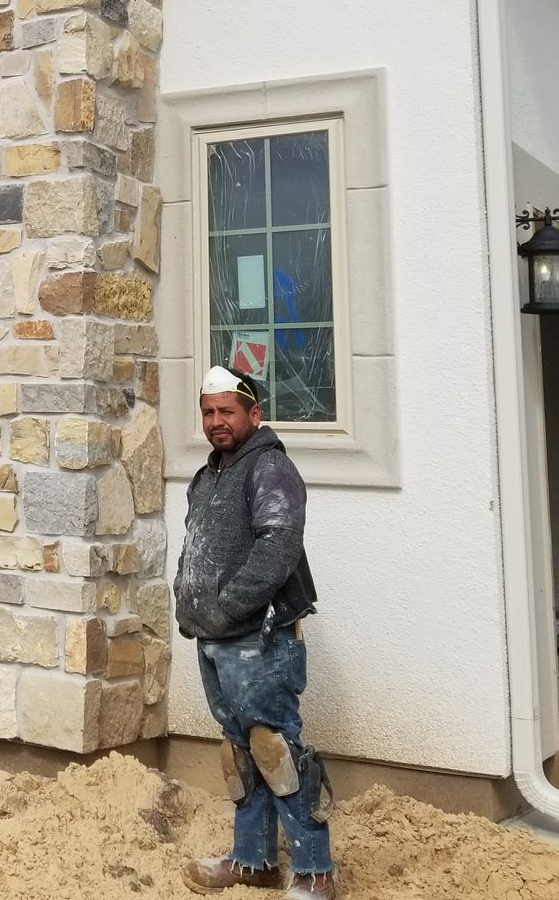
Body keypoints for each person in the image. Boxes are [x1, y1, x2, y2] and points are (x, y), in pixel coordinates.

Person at [177, 365, 337, 898]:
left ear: (254, 414)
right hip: (215, 638)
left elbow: (278, 548)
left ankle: (316, 873)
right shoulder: (209, 475)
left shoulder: (269, 468)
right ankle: (253, 863)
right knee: (239, 752)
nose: (216, 421)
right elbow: (198, 551)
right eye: (208, 412)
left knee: (276, 749)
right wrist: (191, 606)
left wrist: (225, 607)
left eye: (227, 411)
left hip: (260, 638)